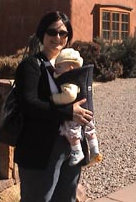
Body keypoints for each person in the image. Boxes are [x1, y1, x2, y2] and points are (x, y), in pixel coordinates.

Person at [13, 11, 93, 202]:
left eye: (63, 33)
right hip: (40, 148)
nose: (57, 37)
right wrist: (69, 112)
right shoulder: (30, 66)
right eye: (52, 32)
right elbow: (28, 104)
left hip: (71, 145)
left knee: (67, 198)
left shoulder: (72, 65)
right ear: (42, 33)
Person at [51, 48, 102, 166]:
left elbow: (70, 95)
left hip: (75, 114)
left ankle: (76, 151)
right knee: (90, 130)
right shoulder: (82, 78)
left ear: (70, 68)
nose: (56, 69)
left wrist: (54, 98)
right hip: (88, 111)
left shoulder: (69, 80)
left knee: (71, 132)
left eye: (59, 66)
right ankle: (95, 150)